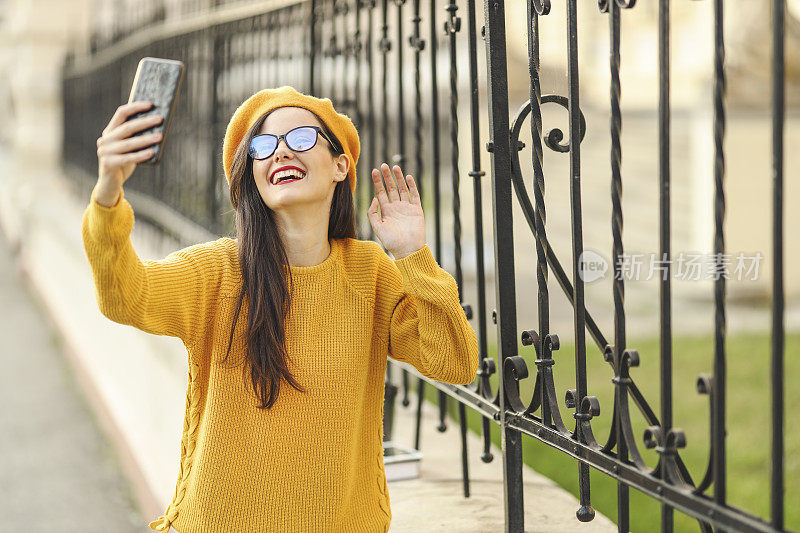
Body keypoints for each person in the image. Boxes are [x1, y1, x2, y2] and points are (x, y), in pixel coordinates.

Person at [83, 85, 479, 532]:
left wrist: (412, 255)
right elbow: (124, 296)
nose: (281, 153)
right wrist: (108, 190)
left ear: (339, 166)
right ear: (251, 173)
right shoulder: (217, 271)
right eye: (264, 145)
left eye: (302, 139)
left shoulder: (369, 273)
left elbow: (456, 361)